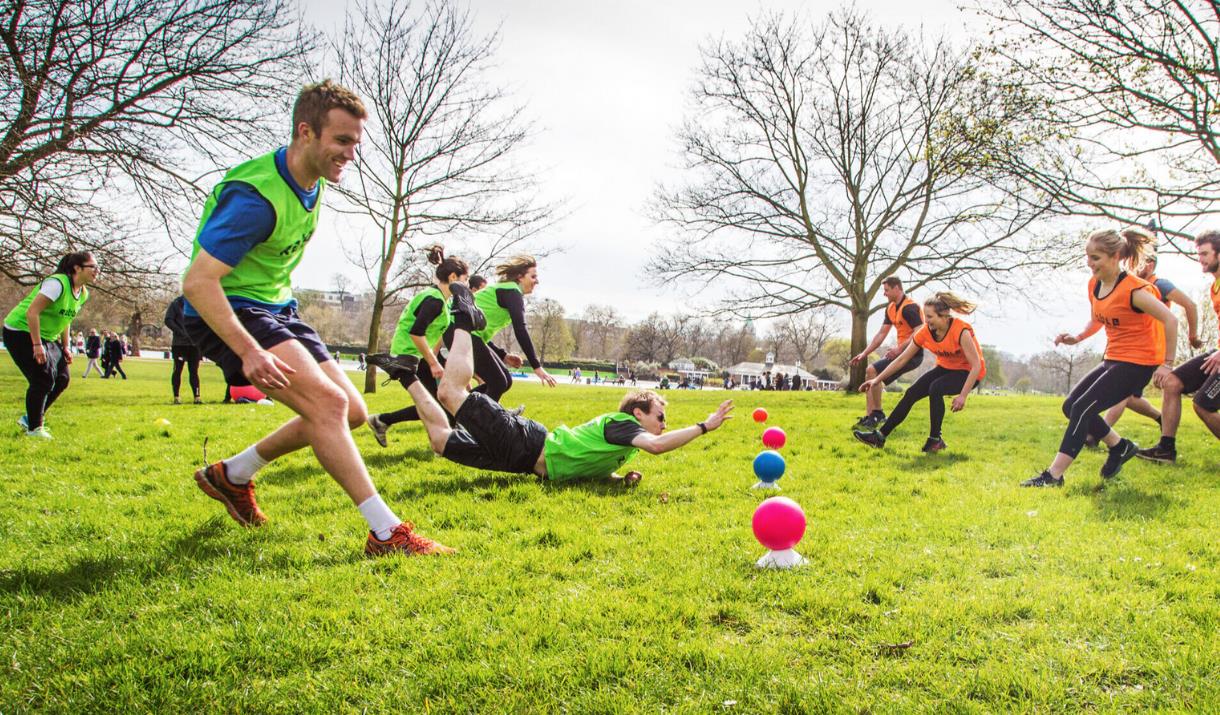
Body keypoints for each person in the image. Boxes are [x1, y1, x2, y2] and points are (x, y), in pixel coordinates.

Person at [181, 79, 451, 557]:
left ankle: (232, 475)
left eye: (356, 144)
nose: (350, 154)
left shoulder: (310, 179)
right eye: (342, 142)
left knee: (351, 411)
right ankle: (386, 534)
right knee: (326, 404)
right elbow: (198, 282)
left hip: (276, 307)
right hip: (231, 308)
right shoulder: (254, 199)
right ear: (305, 132)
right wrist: (249, 351)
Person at [378, 281, 734, 484]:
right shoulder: (624, 427)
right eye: (659, 417)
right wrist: (705, 426)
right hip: (526, 443)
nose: (663, 423)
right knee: (451, 392)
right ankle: (463, 323)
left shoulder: (622, 443)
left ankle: (405, 374)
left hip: (522, 460)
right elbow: (658, 446)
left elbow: (584, 464)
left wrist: (615, 479)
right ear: (638, 414)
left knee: (441, 441)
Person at [1021, 228, 1179, 487]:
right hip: (1114, 357)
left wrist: (1167, 364)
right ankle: (1120, 447)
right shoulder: (1095, 285)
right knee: (1070, 406)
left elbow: (1170, 320)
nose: (1089, 263)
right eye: (1088, 257)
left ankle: (1053, 476)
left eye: (1096, 258)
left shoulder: (1136, 291)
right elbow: (1098, 317)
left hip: (1139, 362)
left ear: (1115, 256)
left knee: (1082, 409)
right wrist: (1078, 337)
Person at [1087, 250, 1204, 442]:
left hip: (1148, 350)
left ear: (1149, 265)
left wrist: (1192, 335)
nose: (1129, 267)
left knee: (1120, 393)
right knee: (1131, 397)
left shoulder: (1159, 285)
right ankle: (1160, 417)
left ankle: (1098, 436)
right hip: (1123, 348)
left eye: (1136, 263)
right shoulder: (1123, 284)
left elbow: (1190, 305)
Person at [853, 292, 985, 453]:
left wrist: (963, 396)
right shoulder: (925, 332)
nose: (926, 321)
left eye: (929, 317)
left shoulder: (961, 331)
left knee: (936, 388)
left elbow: (976, 365)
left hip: (969, 373)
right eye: (925, 317)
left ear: (943, 316)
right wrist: (877, 380)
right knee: (911, 392)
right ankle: (879, 436)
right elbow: (902, 359)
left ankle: (935, 440)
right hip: (945, 368)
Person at [365, 245, 463, 446]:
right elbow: (416, 333)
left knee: (436, 402)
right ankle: (445, 443)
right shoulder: (434, 300)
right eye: (465, 279)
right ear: (453, 277)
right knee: (432, 403)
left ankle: (382, 421)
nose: (467, 284)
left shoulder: (441, 301)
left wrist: (434, 360)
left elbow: (430, 334)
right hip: (405, 359)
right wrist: (433, 363)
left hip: (414, 357)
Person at [1136, 230, 1220, 463]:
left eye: (1205, 253)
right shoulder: (1215, 286)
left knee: (1203, 405)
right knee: (1172, 382)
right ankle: (1166, 449)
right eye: (1198, 253)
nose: (1200, 259)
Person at [4, 251, 97, 437]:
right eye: (92, 267)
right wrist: (37, 345)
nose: (97, 271)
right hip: (19, 331)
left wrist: (65, 346)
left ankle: (29, 418)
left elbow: (65, 317)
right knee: (43, 378)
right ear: (77, 268)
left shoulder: (83, 293)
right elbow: (32, 312)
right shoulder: (57, 283)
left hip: (47, 336)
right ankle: (35, 428)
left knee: (62, 378)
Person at [444, 255, 557, 404]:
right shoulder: (512, 292)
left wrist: (503, 356)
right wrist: (536, 366)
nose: (537, 281)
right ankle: (479, 421)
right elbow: (520, 328)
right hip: (458, 330)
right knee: (498, 382)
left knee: (505, 381)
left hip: (464, 333)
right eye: (533, 276)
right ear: (520, 277)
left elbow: (482, 336)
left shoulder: (509, 291)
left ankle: (459, 411)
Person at [850, 276, 925, 429]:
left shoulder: (910, 308)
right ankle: (871, 416)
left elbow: (919, 332)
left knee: (872, 371)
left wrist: (899, 349)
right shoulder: (891, 308)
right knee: (870, 372)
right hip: (901, 352)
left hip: (913, 354)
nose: (884, 294)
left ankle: (877, 414)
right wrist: (864, 353)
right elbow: (881, 334)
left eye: (887, 290)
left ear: (897, 288)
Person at [164, 295, 203, 404]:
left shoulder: (199, 303)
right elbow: (168, 320)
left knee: (194, 371)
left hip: (194, 344)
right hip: (180, 344)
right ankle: (176, 397)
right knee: (177, 370)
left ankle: (197, 397)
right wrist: (180, 331)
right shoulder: (176, 303)